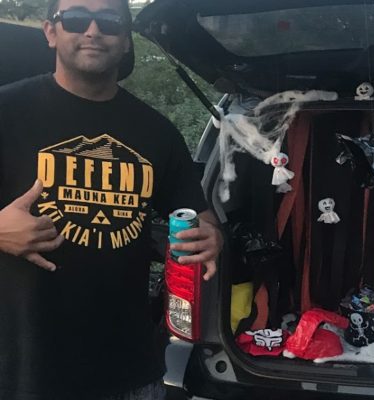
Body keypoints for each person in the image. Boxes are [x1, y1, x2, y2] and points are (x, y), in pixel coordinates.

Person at [0, 0, 222, 398]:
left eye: (109, 21)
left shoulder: (157, 132)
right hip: (22, 369)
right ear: (50, 32)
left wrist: (210, 237)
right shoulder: (7, 110)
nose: (92, 30)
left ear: (125, 40)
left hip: (129, 372)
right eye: (75, 18)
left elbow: (201, 219)